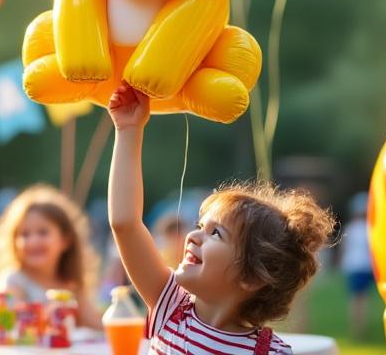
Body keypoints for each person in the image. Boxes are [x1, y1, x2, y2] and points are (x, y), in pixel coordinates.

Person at [107, 85, 335, 354]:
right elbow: (125, 224)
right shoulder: (171, 308)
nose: (194, 236)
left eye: (216, 234)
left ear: (251, 277)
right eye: (201, 226)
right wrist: (128, 131)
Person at [0, 185, 101, 329]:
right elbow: (8, 326)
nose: (33, 241)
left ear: (66, 240)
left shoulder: (70, 283)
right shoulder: (13, 281)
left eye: (43, 232)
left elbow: (96, 324)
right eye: (25, 234)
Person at [339, 192, 374, 339]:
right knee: (363, 299)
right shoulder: (371, 228)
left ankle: (357, 328)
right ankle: (361, 327)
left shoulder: (351, 228)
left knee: (355, 300)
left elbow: (343, 249)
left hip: (353, 267)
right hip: (366, 266)